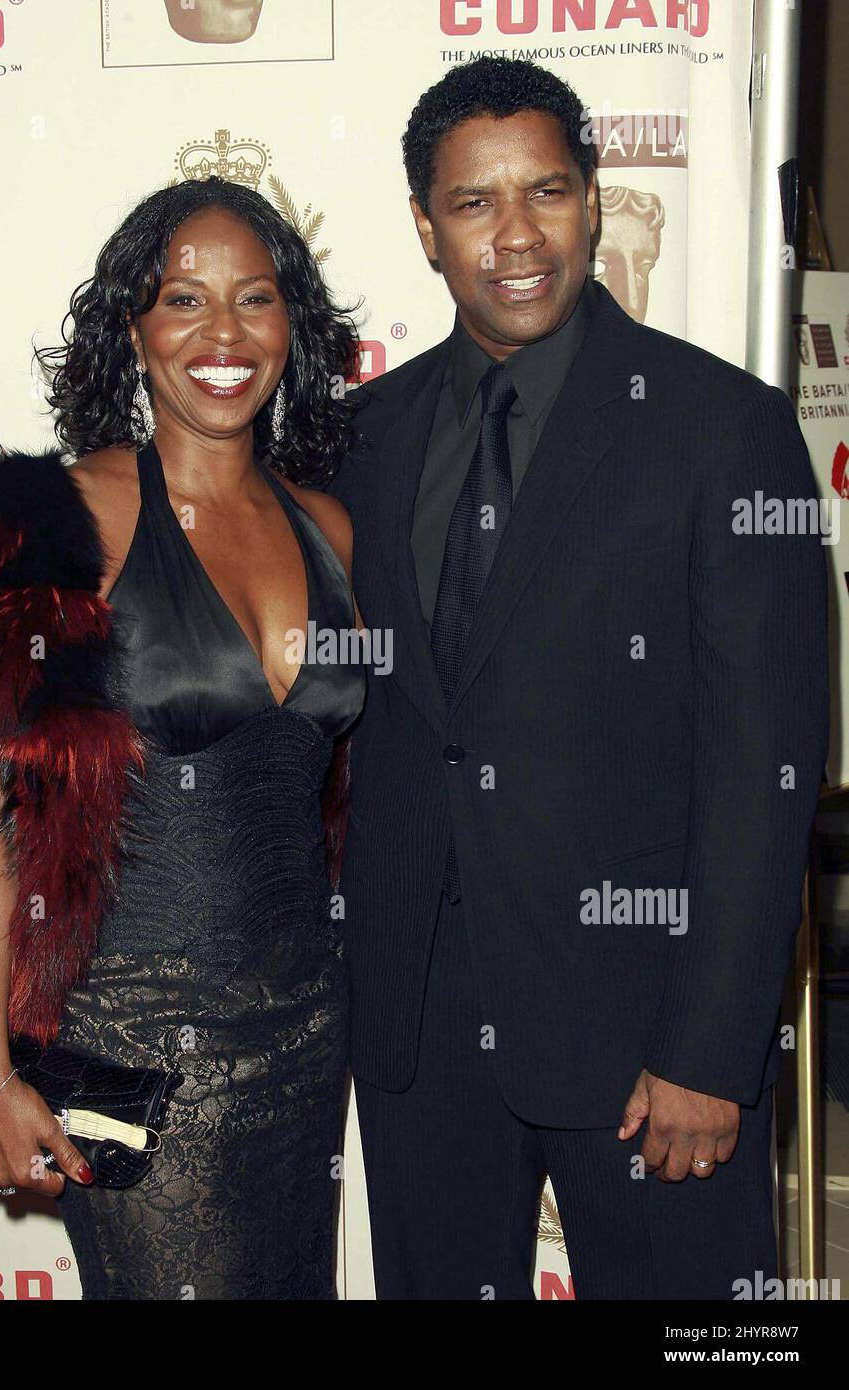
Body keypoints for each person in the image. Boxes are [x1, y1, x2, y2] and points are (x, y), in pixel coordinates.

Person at [328, 56, 828, 1300]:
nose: (516, 235)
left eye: (546, 191)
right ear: (423, 227)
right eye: (473, 202)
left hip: (647, 1038)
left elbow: (763, 767)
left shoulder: (724, 427)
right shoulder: (361, 438)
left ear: (594, 200)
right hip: (422, 1036)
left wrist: (712, 1051)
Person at [0, 175, 366, 1299]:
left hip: (302, 1039)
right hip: (136, 1051)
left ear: (295, 325)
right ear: (132, 330)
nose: (222, 334)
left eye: (254, 299)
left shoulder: (327, 524)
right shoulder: (63, 523)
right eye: (183, 300)